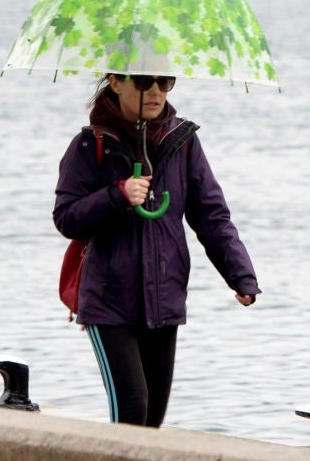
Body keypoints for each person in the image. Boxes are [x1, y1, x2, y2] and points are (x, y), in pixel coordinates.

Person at [53, 73, 260, 427]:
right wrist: (117, 195)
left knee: (152, 422)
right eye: (143, 81)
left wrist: (240, 274)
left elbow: (211, 215)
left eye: (164, 82)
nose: (154, 91)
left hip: (164, 300)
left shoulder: (183, 142)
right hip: (109, 303)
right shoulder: (91, 145)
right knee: (132, 413)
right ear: (116, 82)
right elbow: (67, 218)